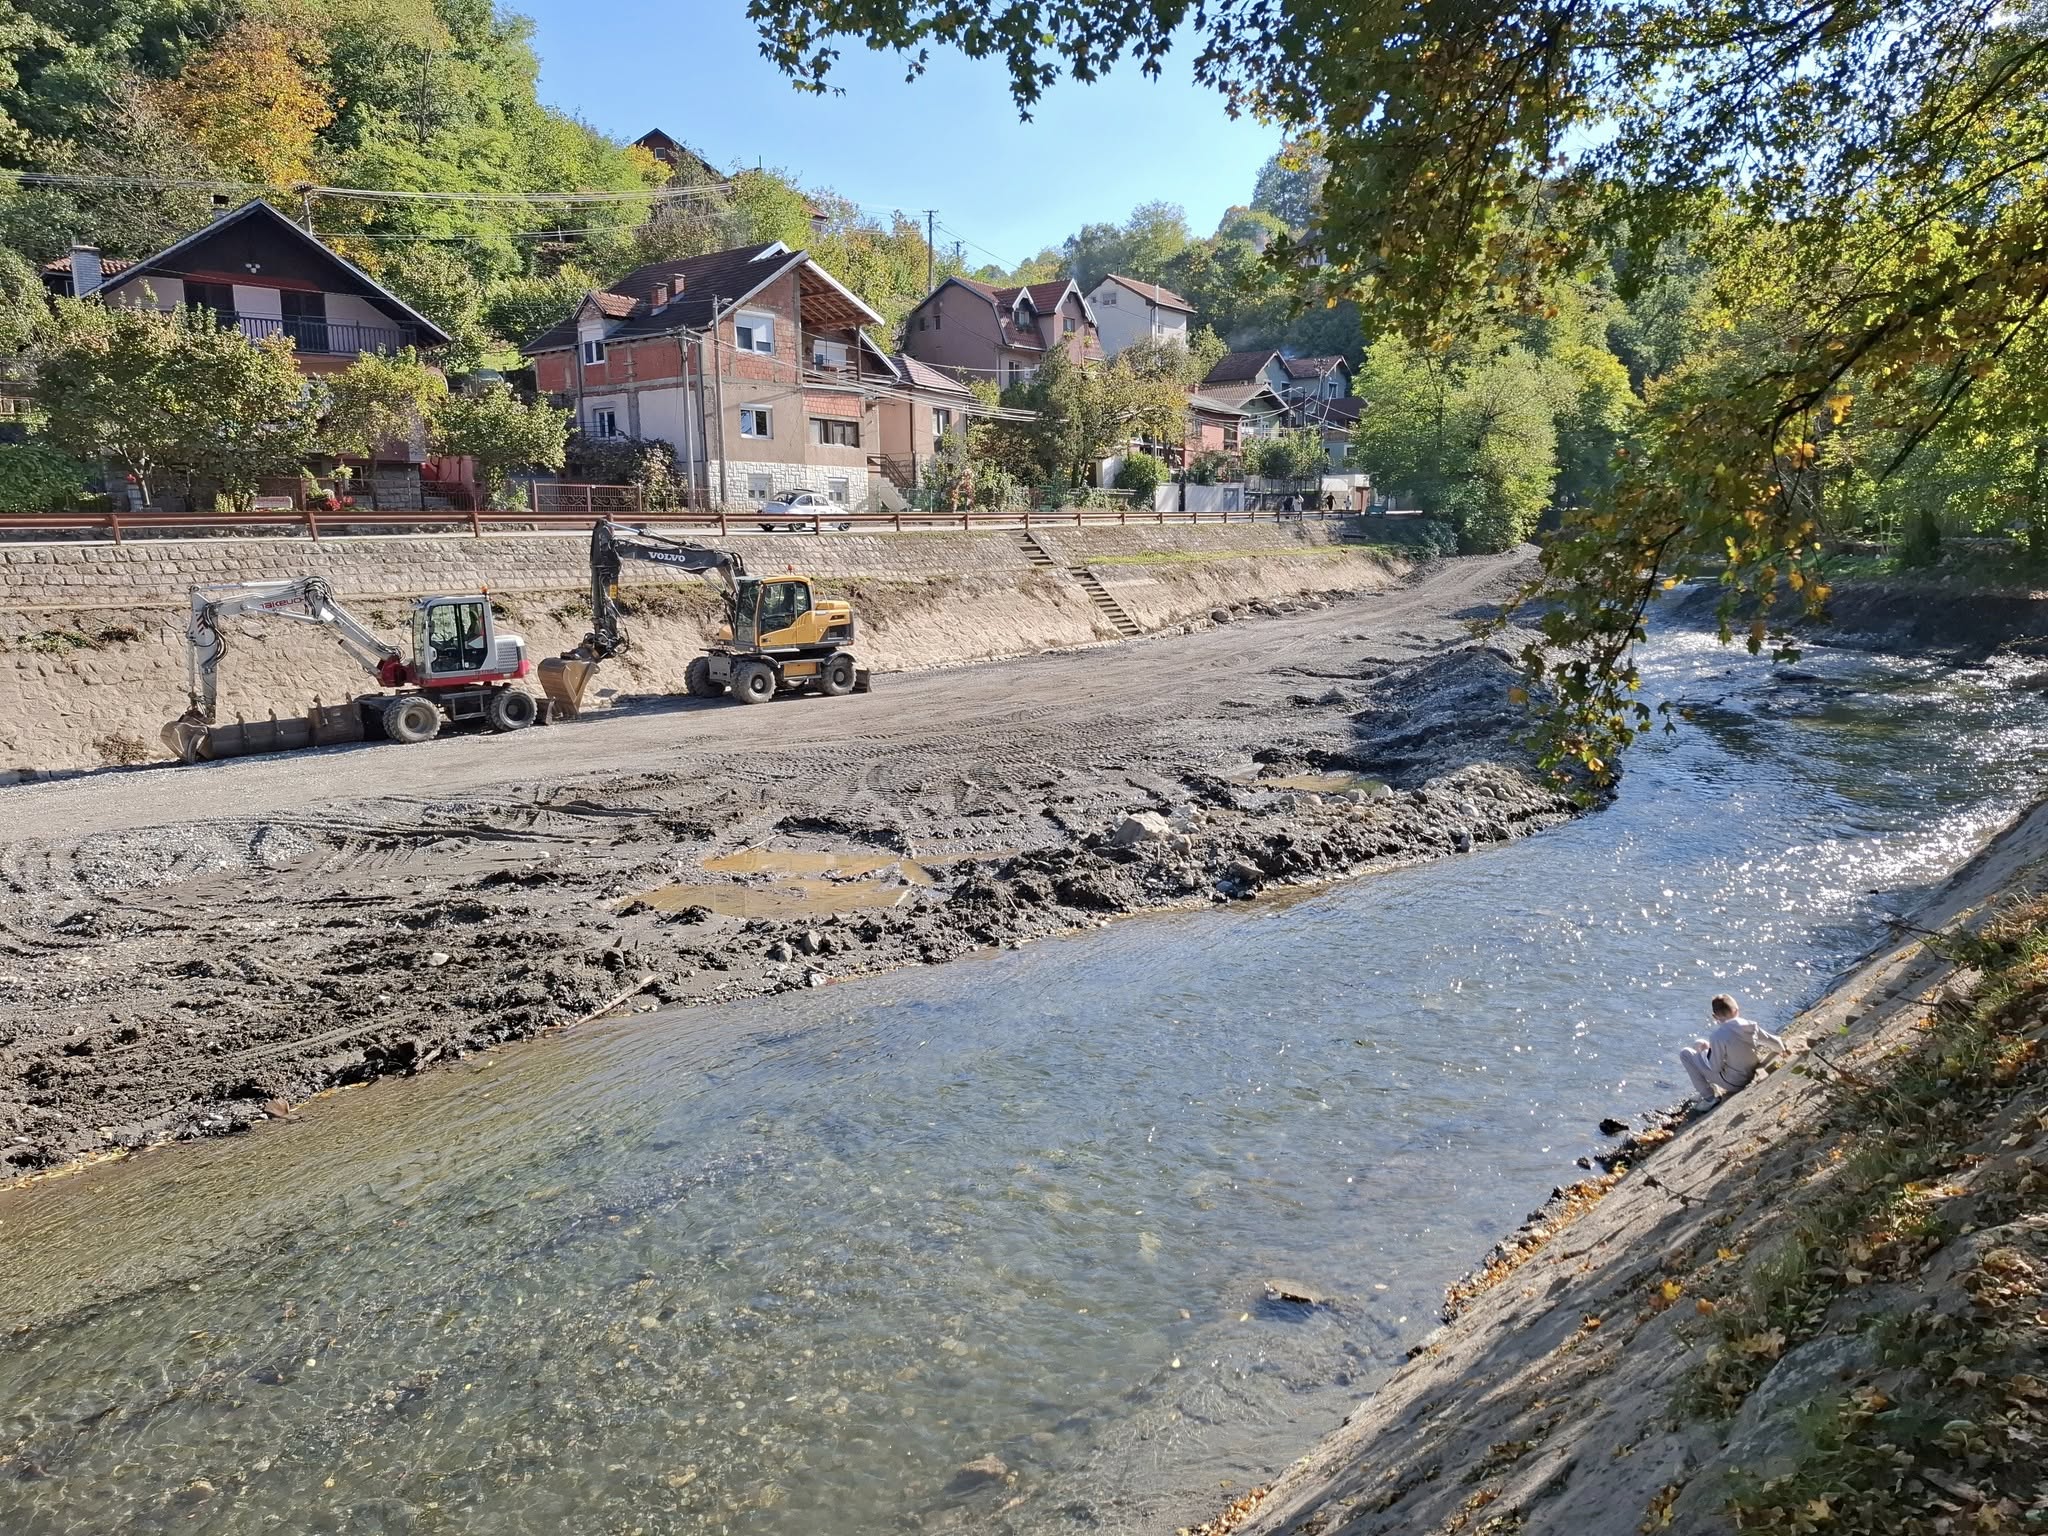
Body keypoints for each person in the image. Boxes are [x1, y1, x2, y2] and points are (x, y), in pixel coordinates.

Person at [1680, 994, 1787, 1109]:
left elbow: (1715, 1067)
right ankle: (1706, 1087)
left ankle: (1709, 1097)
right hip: (1750, 1073)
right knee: (1701, 1043)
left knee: (1686, 1053)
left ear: (1715, 1017)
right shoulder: (1751, 1026)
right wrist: (1784, 1050)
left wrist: (1706, 1053)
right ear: (1737, 1011)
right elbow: (1776, 1043)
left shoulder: (1717, 1036)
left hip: (1734, 1083)